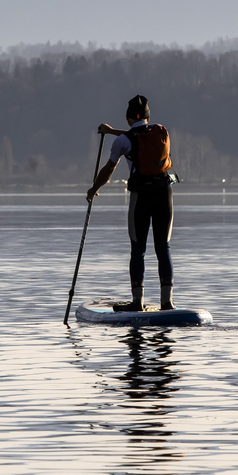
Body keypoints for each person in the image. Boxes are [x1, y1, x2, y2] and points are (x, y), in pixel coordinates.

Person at [86, 94, 176, 312]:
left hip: (141, 196)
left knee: (138, 248)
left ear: (127, 118)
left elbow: (109, 169)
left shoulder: (123, 141)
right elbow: (136, 135)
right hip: (165, 194)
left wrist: (94, 189)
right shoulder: (161, 132)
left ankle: (137, 302)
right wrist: (111, 131)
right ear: (148, 117)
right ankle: (167, 302)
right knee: (163, 247)